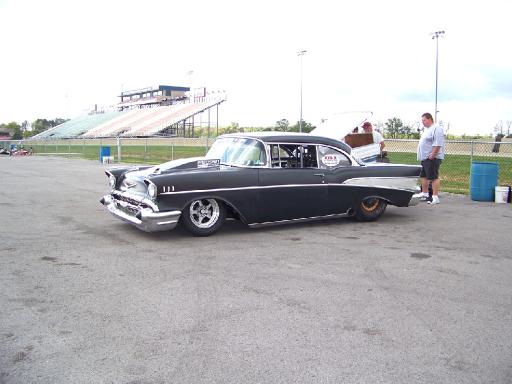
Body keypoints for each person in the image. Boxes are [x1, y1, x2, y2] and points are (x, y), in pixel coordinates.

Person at [416, 112, 445, 205]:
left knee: (433, 177)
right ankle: (424, 194)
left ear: (429, 119)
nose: (423, 122)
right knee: (424, 176)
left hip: (432, 158)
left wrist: (433, 154)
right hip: (424, 158)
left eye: (424, 120)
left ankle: (435, 197)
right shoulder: (427, 130)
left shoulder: (437, 128)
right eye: (422, 121)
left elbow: (438, 143)